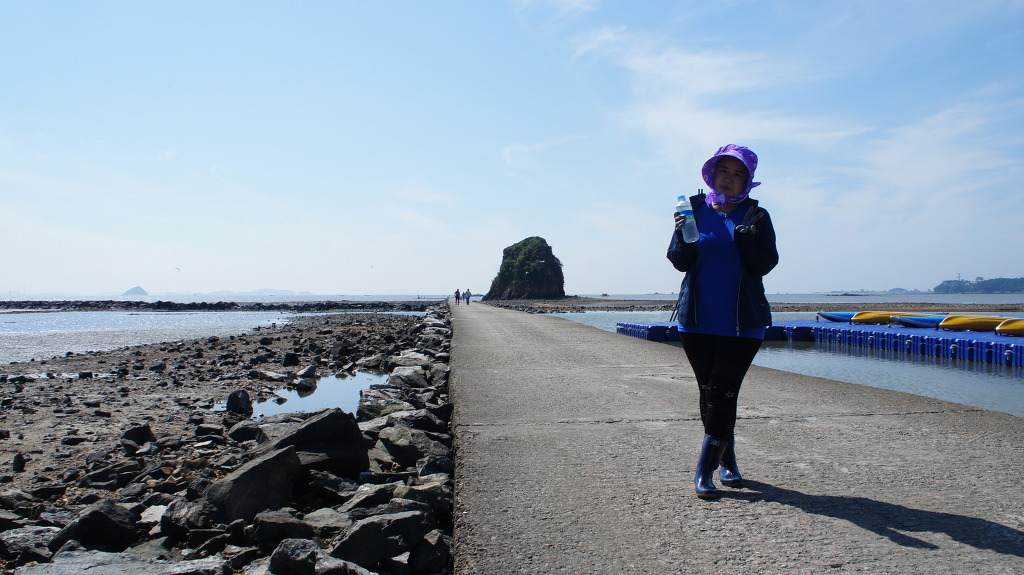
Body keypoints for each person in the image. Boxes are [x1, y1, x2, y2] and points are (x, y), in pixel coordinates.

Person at [666, 144, 779, 499]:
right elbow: (679, 261)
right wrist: (683, 236)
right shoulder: (693, 209)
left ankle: (704, 469)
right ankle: (728, 461)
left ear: (748, 180)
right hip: (696, 321)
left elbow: (765, 264)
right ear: (712, 174)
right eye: (723, 172)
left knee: (722, 391)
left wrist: (747, 244)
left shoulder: (757, 216)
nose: (729, 179)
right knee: (709, 392)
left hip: (743, 323)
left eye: (738, 174)